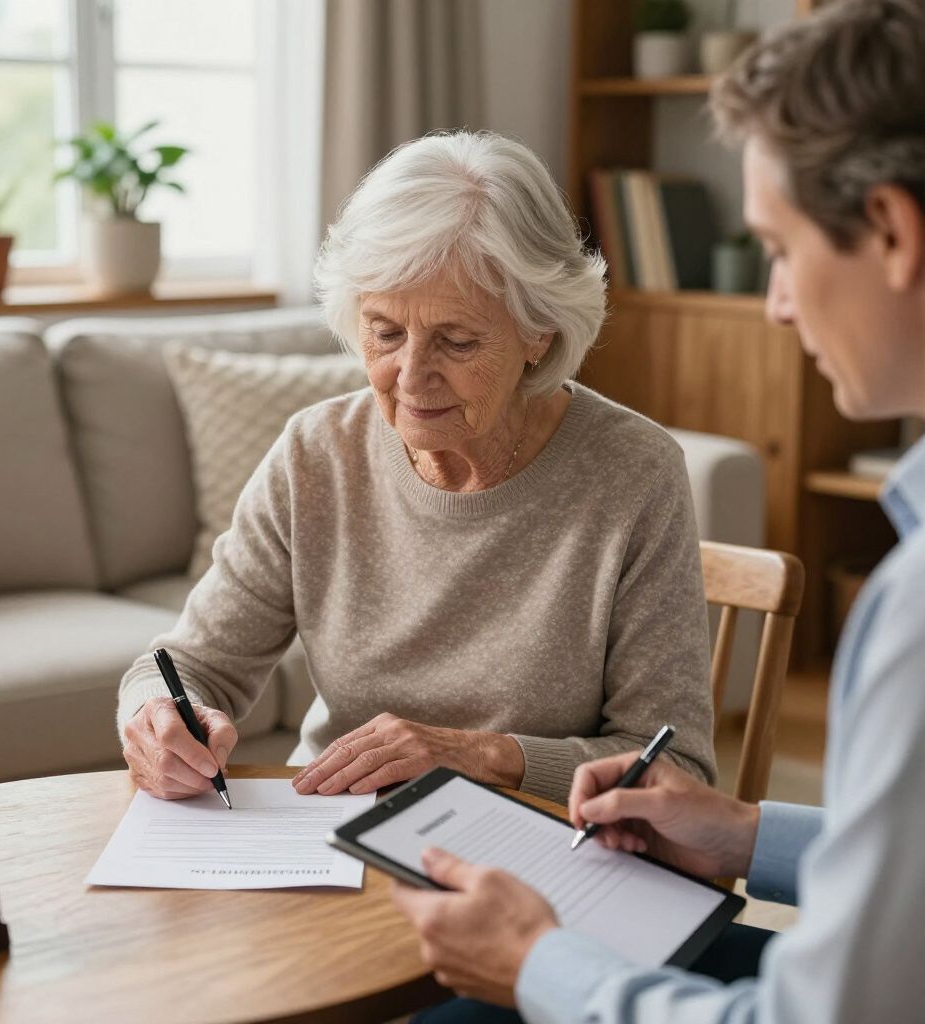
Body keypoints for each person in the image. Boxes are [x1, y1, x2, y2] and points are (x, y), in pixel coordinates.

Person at [391, 1, 925, 1021]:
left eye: (775, 245)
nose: (773, 301)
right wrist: (743, 835)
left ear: (892, 232)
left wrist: (536, 961)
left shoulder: (913, 603)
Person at [116, 130, 717, 807]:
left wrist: (479, 755)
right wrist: (156, 721)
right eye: (385, 332)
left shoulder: (633, 474)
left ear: (538, 330)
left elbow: (677, 769)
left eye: (456, 340)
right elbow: (186, 666)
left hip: (527, 853)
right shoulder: (317, 454)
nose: (411, 376)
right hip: (333, 834)